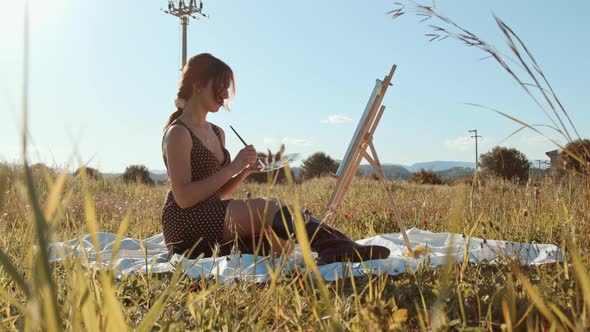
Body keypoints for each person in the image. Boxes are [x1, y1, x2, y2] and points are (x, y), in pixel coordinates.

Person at [161, 53, 390, 264]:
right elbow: (184, 198)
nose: (225, 95)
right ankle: (339, 247)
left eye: (227, 89)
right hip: (185, 222)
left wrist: (245, 171)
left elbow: (216, 193)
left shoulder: (217, 132)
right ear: (198, 84)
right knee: (268, 208)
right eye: (220, 87)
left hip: (211, 216)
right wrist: (233, 167)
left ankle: (219, 251)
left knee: (282, 245)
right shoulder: (178, 133)